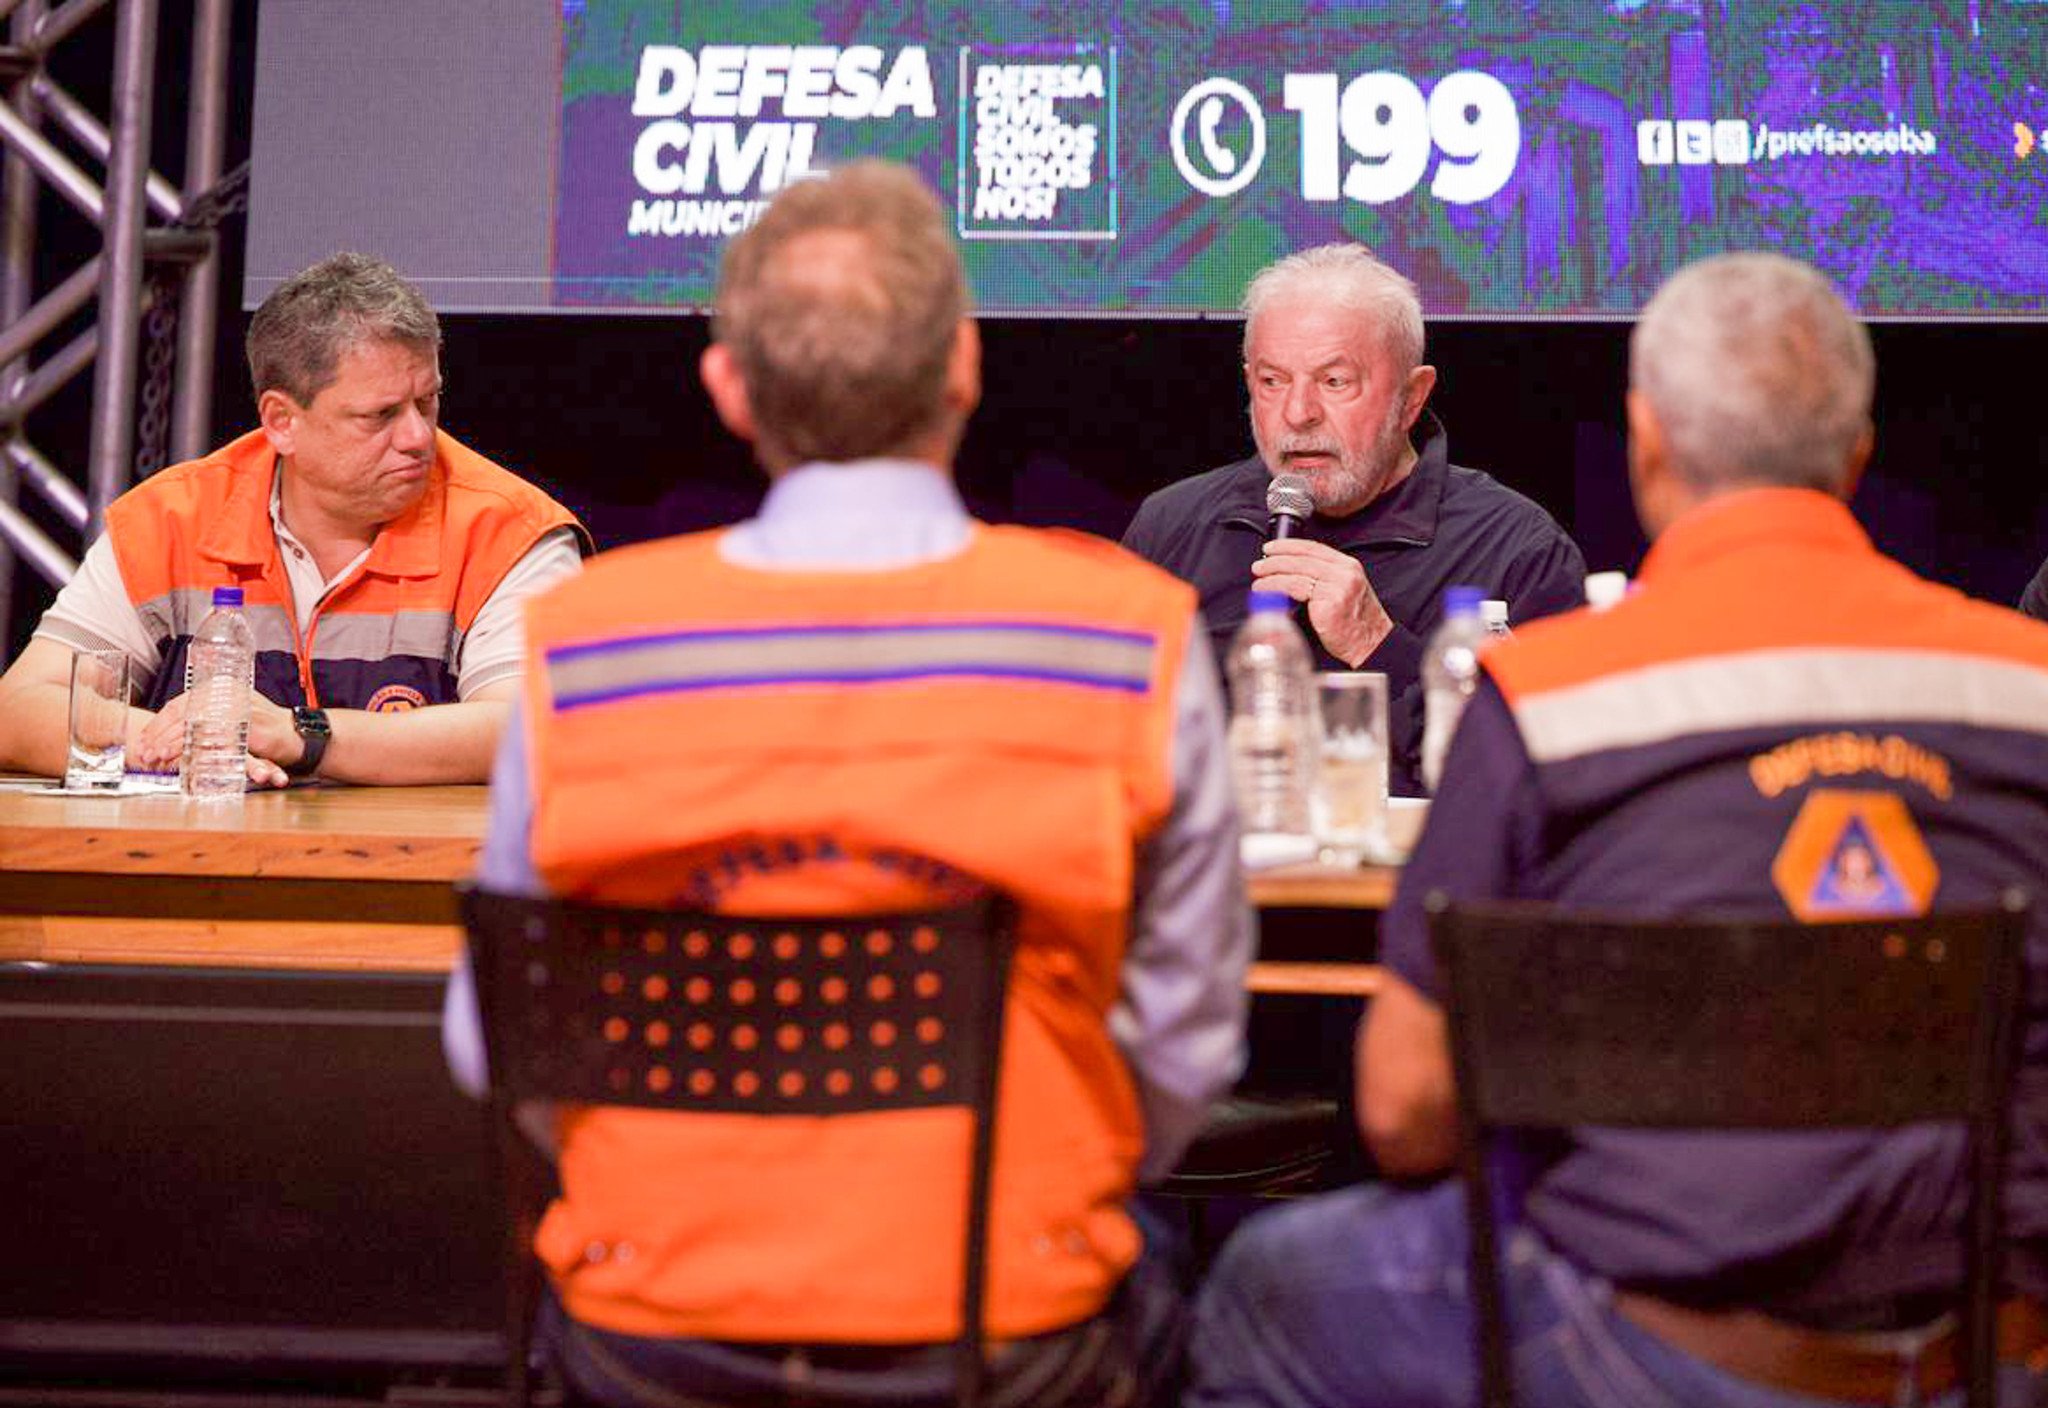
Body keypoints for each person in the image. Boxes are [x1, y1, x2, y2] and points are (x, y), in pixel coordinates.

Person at [442, 160, 1251, 1408]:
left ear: (727, 385)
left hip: (649, 1334)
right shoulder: (1128, 637)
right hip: (1010, 1335)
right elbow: (1182, 1043)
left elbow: (494, 1036)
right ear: (964, 366)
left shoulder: (588, 643)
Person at [1189, 251, 2048, 1407]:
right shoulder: (2026, 680)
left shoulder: (1549, 694)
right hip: (1985, 1348)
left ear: (1643, 443)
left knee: (1260, 1283)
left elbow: (1397, 1109)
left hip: (1653, 1340)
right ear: (1854, 451)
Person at [0, 252, 587, 786]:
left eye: (427, 401)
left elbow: (532, 726)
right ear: (281, 421)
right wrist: (188, 739)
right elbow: (19, 707)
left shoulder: (512, 531)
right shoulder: (172, 518)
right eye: (380, 414)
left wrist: (302, 734)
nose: (417, 436)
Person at [1121, 244, 1585, 793]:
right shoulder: (1172, 528)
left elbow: (1553, 776)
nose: (1298, 413)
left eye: (1334, 382)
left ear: (1412, 398)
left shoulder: (1518, 550)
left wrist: (1378, 644)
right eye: (1272, 382)